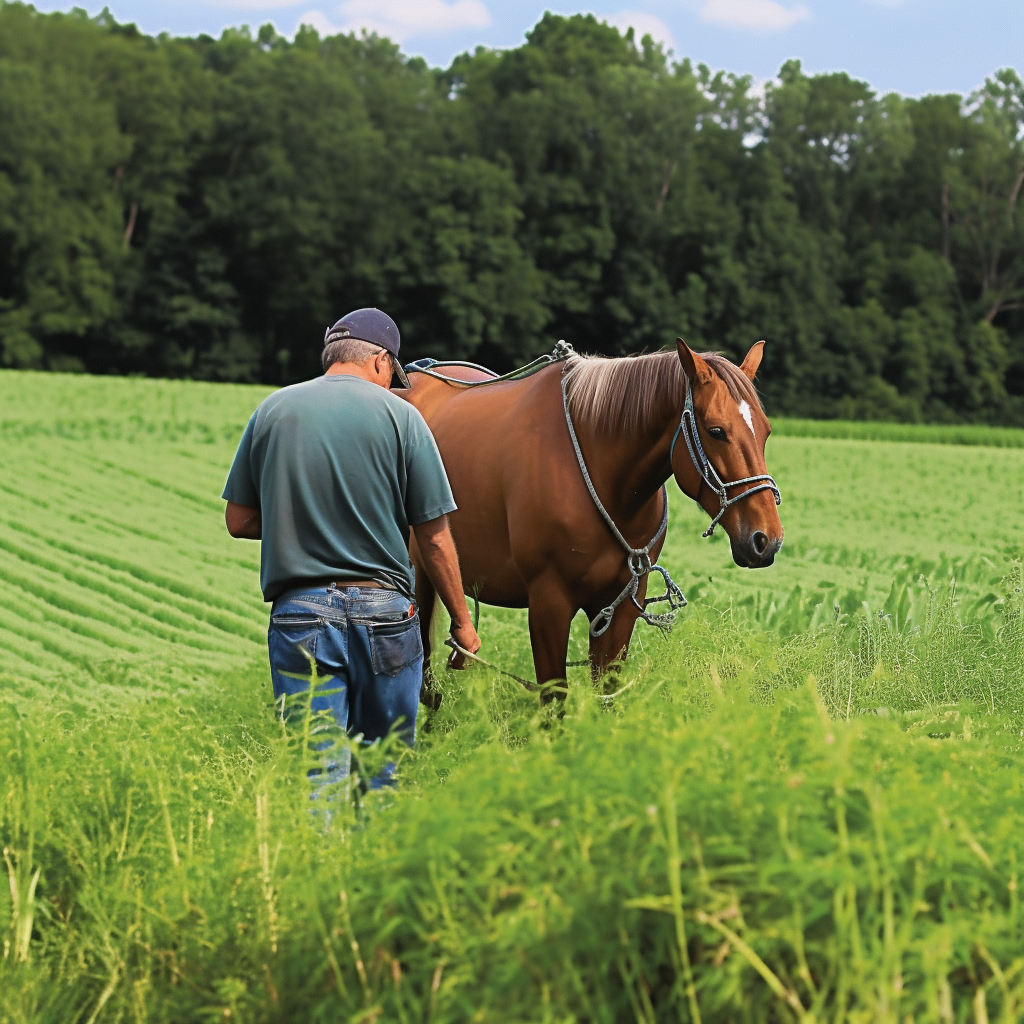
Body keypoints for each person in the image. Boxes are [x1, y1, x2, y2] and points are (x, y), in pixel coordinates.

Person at [222, 307, 481, 796]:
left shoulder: (273, 410)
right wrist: (462, 624)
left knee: (319, 777)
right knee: (383, 774)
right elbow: (433, 535)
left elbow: (239, 521)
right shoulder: (404, 417)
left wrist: (300, 521)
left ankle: (321, 867)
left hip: (301, 617)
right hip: (386, 616)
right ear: (381, 361)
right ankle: (375, 868)